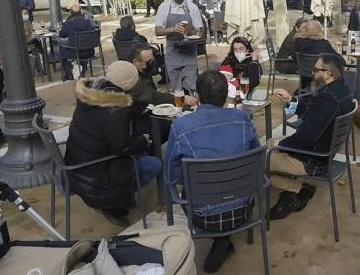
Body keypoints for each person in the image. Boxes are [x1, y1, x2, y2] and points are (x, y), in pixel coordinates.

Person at [166, 70, 260, 273]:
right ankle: (223, 240)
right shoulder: (242, 118)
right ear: (226, 95)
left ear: (197, 96)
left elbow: (171, 176)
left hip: (202, 214)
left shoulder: (181, 126)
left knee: (185, 190)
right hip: (243, 207)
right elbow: (255, 159)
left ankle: (222, 241)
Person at [65, 61, 162, 226]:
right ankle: (113, 203)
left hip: (77, 167)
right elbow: (121, 147)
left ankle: (121, 196)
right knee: (154, 163)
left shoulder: (91, 95)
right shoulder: (116, 109)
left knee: (142, 154)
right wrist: (143, 140)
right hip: (96, 178)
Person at [269, 53, 354, 220]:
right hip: (324, 151)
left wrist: (282, 144)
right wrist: (291, 100)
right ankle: (294, 191)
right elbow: (311, 115)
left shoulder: (327, 98)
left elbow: (306, 137)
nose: (312, 73)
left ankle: (297, 189)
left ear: (328, 74)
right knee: (273, 146)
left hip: (315, 158)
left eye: (316, 70)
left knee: (258, 162)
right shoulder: (341, 90)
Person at [155, 0, 203, 94]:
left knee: (192, 88)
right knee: (176, 90)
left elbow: (200, 31)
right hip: (173, 52)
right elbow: (157, 31)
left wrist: (191, 33)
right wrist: (172, 29)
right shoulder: (164, 7)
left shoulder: (192, 8)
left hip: (189, 53)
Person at [115, 15, 166, 83]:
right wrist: (155, 50)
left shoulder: (116, 38)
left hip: (125, 63)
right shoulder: (138, 38)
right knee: (161, 57)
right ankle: (164, 78)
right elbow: (148, 51)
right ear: (132, 26)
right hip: (140, 64)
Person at [294, 19, 338, 89]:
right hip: (321, 74)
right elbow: (336, 57)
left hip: (304, 74)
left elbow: (294, 57)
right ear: (319, 30)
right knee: (339, 70)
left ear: (306, 29)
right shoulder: (323, 43)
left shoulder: (298, 42)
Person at [58, 1, 95, 80]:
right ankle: (83, 68)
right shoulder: (88, 22)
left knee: (61, 46)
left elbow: (62, 35)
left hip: (75, 53)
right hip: (89, 51)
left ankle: (68, 74)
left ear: (71, 11)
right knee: (79, 44)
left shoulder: (69, 23)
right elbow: (92, 34)